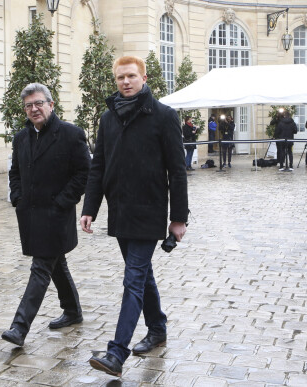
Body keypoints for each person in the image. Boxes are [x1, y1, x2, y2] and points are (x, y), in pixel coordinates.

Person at [80, 56, 188, 377]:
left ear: (143, 77)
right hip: (120, 211)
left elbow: (177, 171)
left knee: (133, 279)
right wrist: (89, 208)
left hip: (149, 210)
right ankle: (157, 327)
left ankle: (116, 353)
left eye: (131, 76)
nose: (125, 82)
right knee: (141, 274)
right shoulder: (108, 118)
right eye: (120, 78)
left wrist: (178, 218)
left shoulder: (164, 116)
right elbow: (98, 166)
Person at [1, 82, 91, 347]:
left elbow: (84, 173)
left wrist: (62, 202)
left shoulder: (71, 134)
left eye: (39, 103)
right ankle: (73, 311)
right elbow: (15, 172)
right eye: (29, 105)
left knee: (41, 268)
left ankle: (19, 327)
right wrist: (17, 197)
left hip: (56, 215)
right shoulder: (21, 138)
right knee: (55, 264)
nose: (34, 109)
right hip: (29, 215)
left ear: (51, 105)